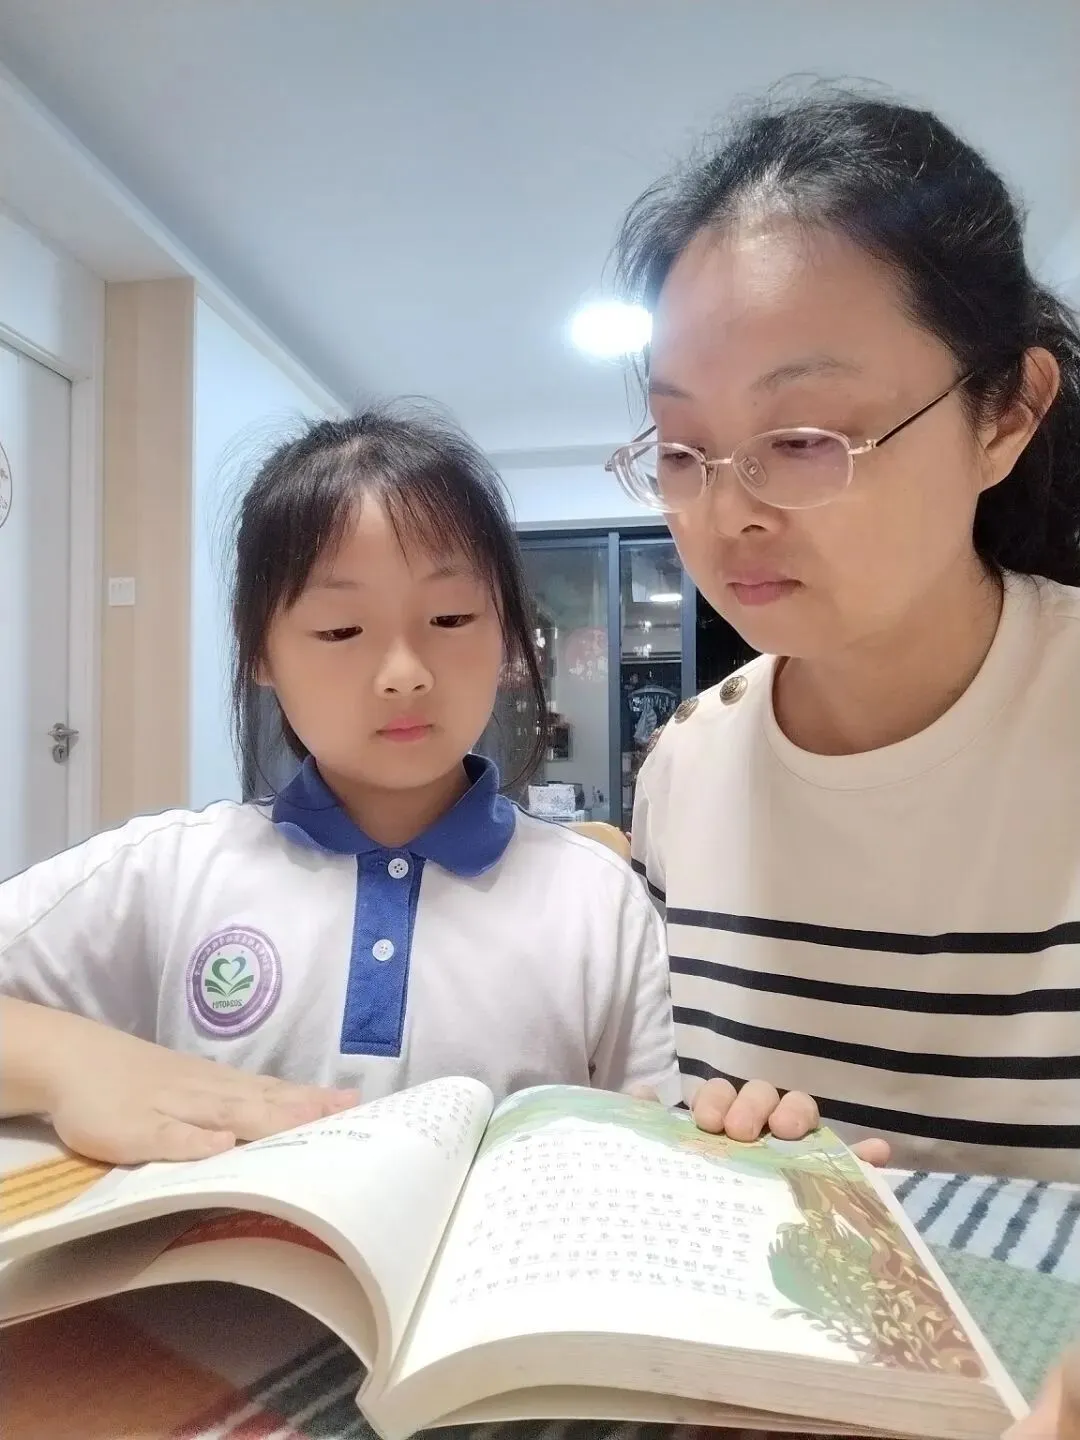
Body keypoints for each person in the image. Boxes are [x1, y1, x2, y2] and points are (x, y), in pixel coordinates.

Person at [607, 87, 1080, 1184]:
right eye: (680, 449)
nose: (728, 513)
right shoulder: (686, 765)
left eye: (805, 437)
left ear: (1006, 413)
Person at [0, 406, 680, 1164]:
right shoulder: (165, 874)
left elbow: (658, 1133)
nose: (404, 675)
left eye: (451, 617)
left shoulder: (597, 899)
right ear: (259, 652)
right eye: (340, 630)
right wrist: (71, 1062)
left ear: (507, 636)